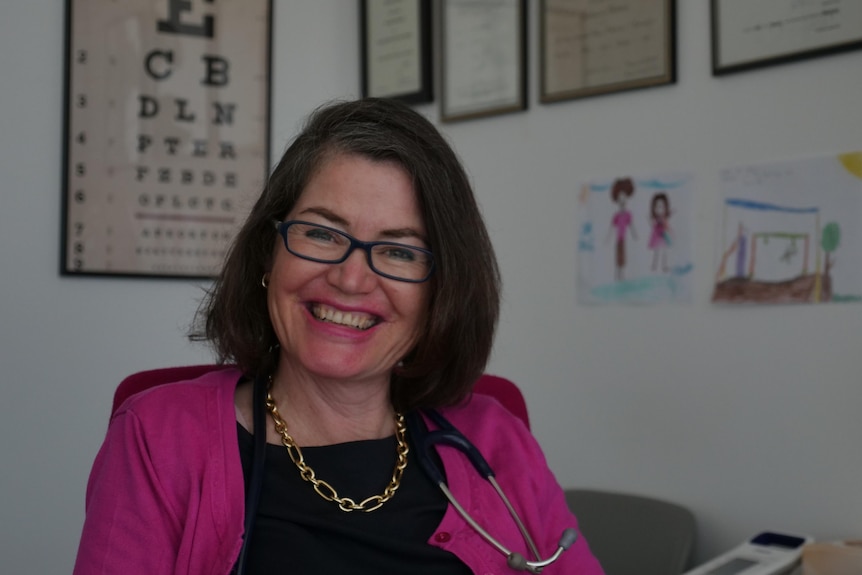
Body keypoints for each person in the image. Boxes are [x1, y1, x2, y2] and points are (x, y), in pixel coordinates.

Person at [73, 98, 604, 575]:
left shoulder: (497, 438)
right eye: (323, 234)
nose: (351, 279)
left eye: (399, 251)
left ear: (441, 293)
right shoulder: (156, 438)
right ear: (268, 252)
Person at [605, 177, 637, 281]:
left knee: (623, 257)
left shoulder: (628, 215)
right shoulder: (616, 216)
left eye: (624, 199)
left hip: (624, 240)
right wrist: (608, 238)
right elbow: (611, 228)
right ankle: (617, 274)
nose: (622, 201)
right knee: (617, 257)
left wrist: (634, 235)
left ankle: (622, 274)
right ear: (617, 200)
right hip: (618, 240)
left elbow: (631, 226)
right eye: (620, 199)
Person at [647, 192, 672, 272]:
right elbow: (653, 226)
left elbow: (667, 227)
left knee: (664, 252)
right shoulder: (657, 219)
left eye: (661, 207)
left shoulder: (664, 219)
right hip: (657, 237)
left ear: (665, 207)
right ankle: (654, 265)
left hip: (663, 237)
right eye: (657, 207)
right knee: (656, 252)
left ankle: (664, 266)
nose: (659, 209)